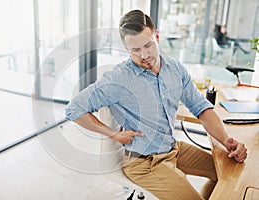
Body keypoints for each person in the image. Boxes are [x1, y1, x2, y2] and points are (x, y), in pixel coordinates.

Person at [65, 10, 247, 200]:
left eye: (148, 45)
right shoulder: (119, 78)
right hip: (143, 164)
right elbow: (74, 110)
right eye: (135, 50)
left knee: (226, 175)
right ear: (126, 48)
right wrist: (114, 134)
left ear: (157, 36)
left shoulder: (175, 69)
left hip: (173, 149)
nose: (144, 55)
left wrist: (226, 141)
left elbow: (201, 108)